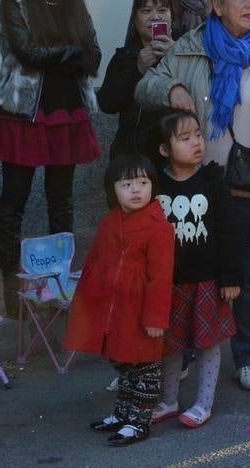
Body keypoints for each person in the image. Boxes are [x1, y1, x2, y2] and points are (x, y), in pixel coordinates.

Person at [135, 0, 250, 393]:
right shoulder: (191, 47)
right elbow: (145, 87)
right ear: (217, 5)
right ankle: (187, 353)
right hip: (197, 186)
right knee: (194, 274)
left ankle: (247, 357)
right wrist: (172, 88)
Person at [0, 0, 102, 318]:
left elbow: (94, 56)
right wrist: (71, 51)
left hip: (68, 109)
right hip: (24, 112)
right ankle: (9, 285)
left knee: (61, 200)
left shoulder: (75, 1)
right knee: (13, 200)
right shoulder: (13, 0)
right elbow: (28, 53)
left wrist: (68, 54)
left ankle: (57, 282)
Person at [66, 155, 174, 448]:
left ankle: (139, 421)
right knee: (124, 365)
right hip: (115, 310)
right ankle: (123, 413)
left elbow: (161, 278)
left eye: (143, 182)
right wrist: (86, 306)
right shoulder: (110, 222)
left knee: (144, 367)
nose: (136, 190)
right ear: (113, 189)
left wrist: (155, 319)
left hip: (141, 311)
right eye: (127, 184)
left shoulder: (159, 227)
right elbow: (94, 263)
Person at [149, 110, 241, 429]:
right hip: (168, 283)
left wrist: (230, 278)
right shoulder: (154, 184)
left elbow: (229, 231)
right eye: (185, 138)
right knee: (170, 344)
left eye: (198, 135)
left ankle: (204, 403)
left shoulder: (212, 180)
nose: (196, 143)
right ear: (164, 149)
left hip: (207, 281)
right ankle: (168, 399)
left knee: (207, 343)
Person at [97, 0, 175, 164]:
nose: (155, 17)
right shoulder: (123, 57)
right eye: (146, 11)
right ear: (134, 19)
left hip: (174, 156)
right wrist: (137, 70)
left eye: (162, 10)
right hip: (131, 155)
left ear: (172, 17)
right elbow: (107, 104)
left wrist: (176, 57)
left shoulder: (184, 54)